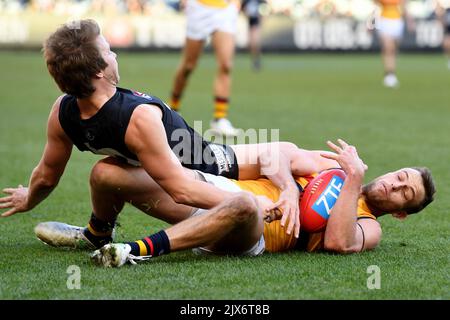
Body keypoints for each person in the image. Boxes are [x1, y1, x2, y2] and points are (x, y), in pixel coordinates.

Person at [0, 19, 304, 248]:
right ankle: (105, 237)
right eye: (108, 50)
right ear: (98, 72)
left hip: (211, 162)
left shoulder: (63, 111)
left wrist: (30, 197)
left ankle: (97, 234)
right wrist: (249, 202)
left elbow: (46, 175)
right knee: (104, 174)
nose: (115, 53)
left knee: (289, 157)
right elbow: (183, 190)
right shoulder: (137, 117)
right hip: (204, 176)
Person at [33, 139, 435, 267]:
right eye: (400, 177)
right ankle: (96, 233)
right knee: (107, 173)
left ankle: (134, 251)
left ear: (401, 212)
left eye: (405, 194)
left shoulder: (371, 224)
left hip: (248, 231)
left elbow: (338, 242)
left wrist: (355, 182)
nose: (396, 186)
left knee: (244, 204)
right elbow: (277, 153)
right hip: (210, 191)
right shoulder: (332, 166)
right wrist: (290, 191)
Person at [168, 0, 240, 137]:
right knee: (189, 65)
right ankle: (173, 108)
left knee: (226, 65)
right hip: (199, 7)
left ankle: (220, 118)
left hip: (225, 8)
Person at [375, 0, 414, 88]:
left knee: (393, 49)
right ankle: (389, 73)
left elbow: (404, 7)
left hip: (397, 21)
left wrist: (409, 20)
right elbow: (376, 7)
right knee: (388, 47)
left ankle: (391, 72)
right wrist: (371, 22)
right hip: (384, 21)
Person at [242, 0, 264, 71]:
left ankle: (257, 60)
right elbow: (243, 8)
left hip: (256, 23)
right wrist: (246, 13)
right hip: (250, 23)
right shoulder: (247, 1)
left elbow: (265, 8)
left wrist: (262, 16)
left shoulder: (259, 1)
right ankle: (254, 60)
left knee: (255, 41)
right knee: (251, 43)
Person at [436, 0, 450, 69]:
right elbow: (442, 20)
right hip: (448, 30)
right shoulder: (447, 10)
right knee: (446, 43)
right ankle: (448, 59)